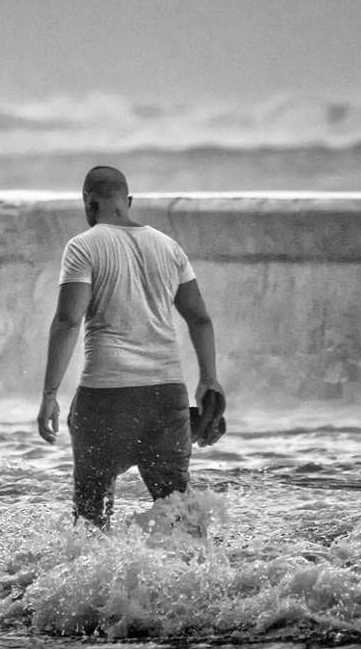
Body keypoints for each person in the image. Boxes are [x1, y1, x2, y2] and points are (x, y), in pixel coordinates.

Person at [36, 165, 226, 528]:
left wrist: (49, 395)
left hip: (105, 399)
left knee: (91, 518)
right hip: (167, 398)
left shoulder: (83, 246)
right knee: (179, 516)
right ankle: (202, 566)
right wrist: (208, 379)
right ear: (129, 201)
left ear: (88, 202)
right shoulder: (169, 247)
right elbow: (200, 319)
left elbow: (68, 320)